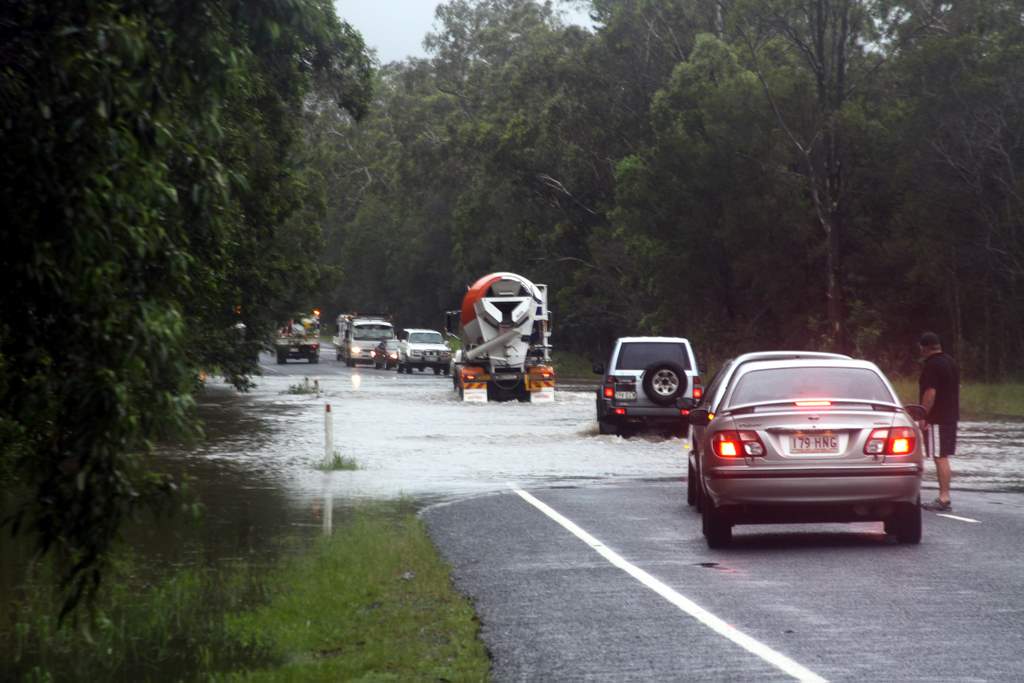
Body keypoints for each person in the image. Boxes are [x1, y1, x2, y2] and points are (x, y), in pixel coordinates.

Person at [917, 332, 959, 511]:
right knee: (943, 456)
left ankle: (943, 497)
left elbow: (930, 393)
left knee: (939, 457)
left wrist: (923, 415)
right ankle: (944, 496)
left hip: (937, 418)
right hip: (950, 416)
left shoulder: (932, 365)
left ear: (923, 347)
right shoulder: (950, 362)